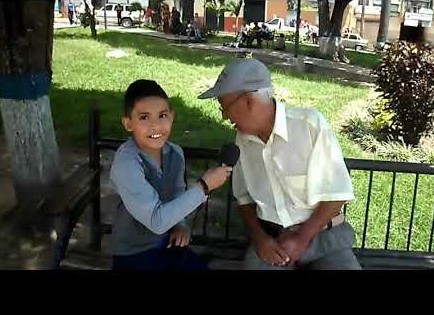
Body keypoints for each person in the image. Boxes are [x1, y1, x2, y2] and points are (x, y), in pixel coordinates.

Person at [197, 59, 362, 270]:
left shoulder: (309, 125)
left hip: (324, 236)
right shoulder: (242, 140)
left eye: (225, 107)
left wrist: (302, 238)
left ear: (249, 101)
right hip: (271, 241)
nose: (223, 116)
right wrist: (260, 240)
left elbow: (338, 194)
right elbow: (244, 199)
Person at [110, 79, 233, 270]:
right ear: (128, 123)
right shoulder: (127, 163)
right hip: (133, 254)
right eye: (144, 117)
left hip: (167, 244)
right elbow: (157, 221)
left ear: (172, 116)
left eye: (162, 116)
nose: (155, 126)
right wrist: (204, 187)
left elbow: (176, 192)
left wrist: (180, 224)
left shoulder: (175, 153)